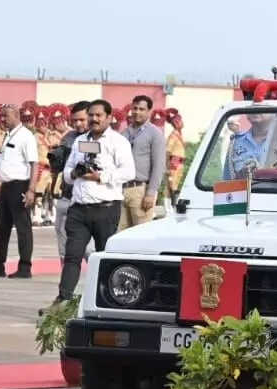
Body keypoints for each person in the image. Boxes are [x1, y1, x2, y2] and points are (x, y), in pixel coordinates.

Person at [54, 99, 135, 305]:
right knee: (72, 255)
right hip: (79, 207)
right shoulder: (80, 140)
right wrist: (74, 172)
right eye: (91, 115)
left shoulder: (117, 142)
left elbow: (128, 172)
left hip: (105, 208)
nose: (93, 119)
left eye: (99, 115)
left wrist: (100, 177)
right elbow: (67, 171)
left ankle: (104, 301)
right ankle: (63, 300)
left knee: (103, 257)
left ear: (109, 117)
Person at [0, 104, 43, 280]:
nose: (2, 119)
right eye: (0, 116)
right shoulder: (7, 135)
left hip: (20, 186)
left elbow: (34, 163)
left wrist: (31, 190)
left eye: (5, 116)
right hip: (6, 186)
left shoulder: (25, 136)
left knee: (23, 227)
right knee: (2, 227)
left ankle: (25, 266)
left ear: (16, 115)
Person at [50, 101, 92, 261]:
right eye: (74, 120)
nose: (77, 124)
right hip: (67, 195)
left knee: (89, 249)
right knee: (63, 246)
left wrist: (75, 149)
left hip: (86, 199)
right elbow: (59, 167)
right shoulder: (69, 136)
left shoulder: (96, 139)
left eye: (82, 120)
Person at [119, 95, 166, 229]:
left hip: (140, 190)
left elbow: (158, 166)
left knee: (140, 232)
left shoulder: (155, 133)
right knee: (120, 234)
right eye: (134, 108)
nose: (137, 112)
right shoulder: (125, 132)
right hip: (122, 189)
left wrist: (150, 193)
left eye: (141, 109)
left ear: (148, 111)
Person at [164, 108, 187, 207]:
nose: (182, 123)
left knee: (175, 185)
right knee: (171, 186)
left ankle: (171, 207)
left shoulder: (179, 135)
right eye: (181, 121)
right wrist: (167, 167)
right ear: (176, 123)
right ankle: (169, 208)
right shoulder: (173, 136)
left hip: (179, 162)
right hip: (174, 161)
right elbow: (167, 151)